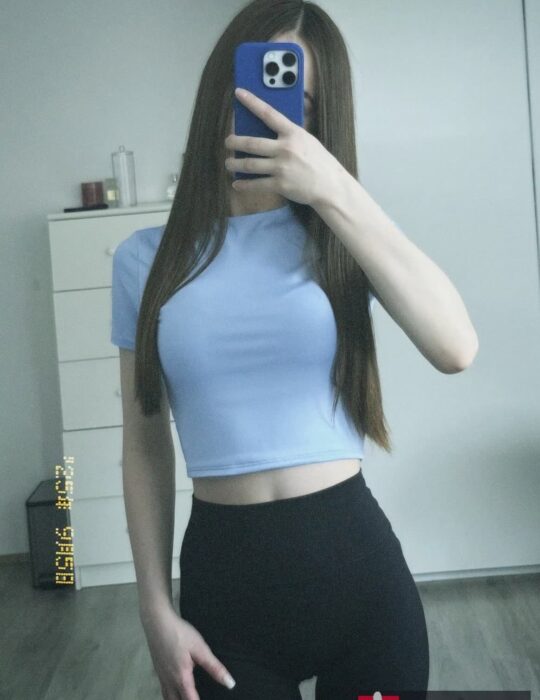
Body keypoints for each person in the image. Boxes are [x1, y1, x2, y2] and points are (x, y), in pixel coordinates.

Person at [111, 1, 479, 698]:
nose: (268, 111)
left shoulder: (343, 239)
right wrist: (154, 608)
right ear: (220, 88)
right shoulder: (144, 261)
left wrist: (336, 190)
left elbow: (456, 347)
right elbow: (144, 444)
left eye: (298, 104)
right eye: (254, 85)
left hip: (365, 593)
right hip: (224, 598)